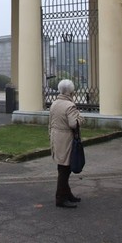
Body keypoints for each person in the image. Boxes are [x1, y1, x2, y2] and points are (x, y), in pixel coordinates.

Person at [48, 79, 85, 208]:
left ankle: (68, 194)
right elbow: (73, 124)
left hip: (56, 137)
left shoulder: (55, 103)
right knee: (65, 170)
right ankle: (60, 198)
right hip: (66, 139)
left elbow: (51, 122)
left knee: (62, 168)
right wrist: (80, 118)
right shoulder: (70, 106)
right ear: (71, 92)